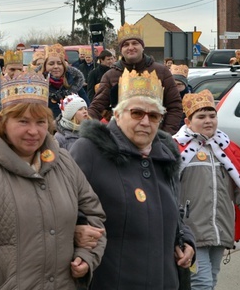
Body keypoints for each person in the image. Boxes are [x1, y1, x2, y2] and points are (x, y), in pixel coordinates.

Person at [0, 69, 107, 289]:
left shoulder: (63, 162)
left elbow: (94, 216)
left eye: (40, 122)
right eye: (23, 121)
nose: (33, 131)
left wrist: (86, 255)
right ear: (3, 122)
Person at [70, 69, 196, 290]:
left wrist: (186, 240)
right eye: (137, 113)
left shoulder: (165, 155)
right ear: (117, 115)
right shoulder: (90, 151)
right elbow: (67, 207)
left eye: (154, 115)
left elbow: (173, 213)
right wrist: (78, 228)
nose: (146, 122)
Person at [174, 90, 240, 290]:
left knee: (210, 279)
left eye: (212, 116)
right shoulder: (176, 150)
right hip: (190, 232)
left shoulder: (228, 150)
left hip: (220, 231)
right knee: (201, 283)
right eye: (201, 117)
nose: (208, 121)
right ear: (188, 120)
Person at [88, 23, 184, 133]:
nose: (131, 47)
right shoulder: (110, 75)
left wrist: (165, 135)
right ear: (121, 50)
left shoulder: (161, 72)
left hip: (154, 136)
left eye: (135, 43)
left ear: (142, 46)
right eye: (126, 45)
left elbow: (175, 106)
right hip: (121, 138)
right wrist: (86, 128)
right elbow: (97, 107)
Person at [45, 44, 89, 119]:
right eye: (51, 64)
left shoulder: (75, 84)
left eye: (59, 63)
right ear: (45, 66)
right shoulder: (38, 86)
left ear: (64, 66)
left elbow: (87, 107)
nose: (56, 67)